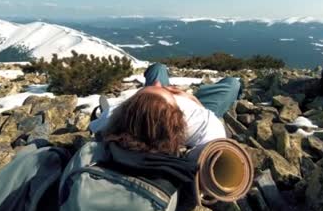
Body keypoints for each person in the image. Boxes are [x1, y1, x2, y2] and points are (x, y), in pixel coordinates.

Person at [91, 62, 242, 149]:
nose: (158, 84)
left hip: (152, 110)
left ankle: (153, 89)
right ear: (176, 113)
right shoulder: (202, 122)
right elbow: (213, 154)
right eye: (160, 89)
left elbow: (96, 127)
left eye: (142, 93)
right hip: (197, 106)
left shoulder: (117, 115)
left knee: (158, 68)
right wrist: (193, 100)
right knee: (233, 84)